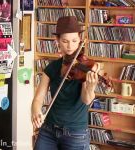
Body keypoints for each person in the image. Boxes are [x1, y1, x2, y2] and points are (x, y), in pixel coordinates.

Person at [31, 16, 100, 150]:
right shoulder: (51, 68)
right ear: (57, 41)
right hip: (48, 130)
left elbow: (86, 100)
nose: (70, 46)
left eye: (74, 41)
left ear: (80, 39)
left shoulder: (88, 67)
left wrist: (90, 88)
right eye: (65, 41)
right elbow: (38, 98)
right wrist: (36, 112)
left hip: (75, 133)